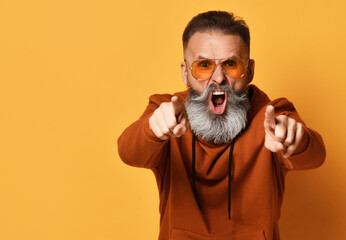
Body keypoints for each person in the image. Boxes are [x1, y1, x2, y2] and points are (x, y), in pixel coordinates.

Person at [117, 10, 326, 240]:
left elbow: (315, 156)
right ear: (186, 73)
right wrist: (152, 130)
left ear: (250, 71)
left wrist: (298, 140)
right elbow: (128, 151)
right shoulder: (167, 112)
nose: (218, 78)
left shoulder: (272, 117)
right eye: (204, 65)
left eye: (230, 63)